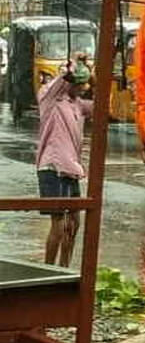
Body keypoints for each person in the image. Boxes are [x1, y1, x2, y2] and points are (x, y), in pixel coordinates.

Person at [36, 54, 93, 267]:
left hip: (71, 168)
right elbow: (63, 79)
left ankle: (64, 267)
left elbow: (100, 104)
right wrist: (72, 63)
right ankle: (49, 269)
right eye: (78, 84)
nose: (81, 88)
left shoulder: (75, 104)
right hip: (53, 167)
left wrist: (90, 71)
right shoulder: (49, 99)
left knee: (73, 224)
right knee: (58, 223)